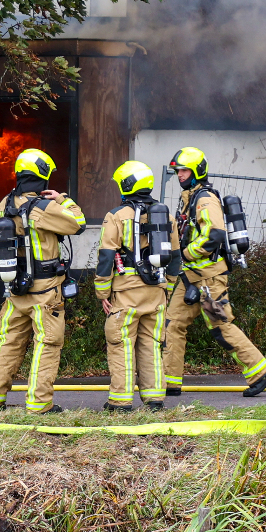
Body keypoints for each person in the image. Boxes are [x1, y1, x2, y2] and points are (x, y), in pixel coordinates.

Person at [160, 146, 266, 398]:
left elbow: (214, 236)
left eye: (184, 170)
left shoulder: (205, 199)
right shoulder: (190, 199)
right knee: (172, 324)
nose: (179, 175)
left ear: (196, 171)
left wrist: (184, 254)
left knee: (220, 325)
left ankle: (260, 372)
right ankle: (169, 382)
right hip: (190, 277)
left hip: (208, 278)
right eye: (178, 171)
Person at [0, 148, 86, 413]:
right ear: (43, 177)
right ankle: (39, 404)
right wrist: (64, 200)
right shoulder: (45, 207)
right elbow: (78, 224)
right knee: (47, 343)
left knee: (10, 341)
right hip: (45, 290)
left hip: (15, 289)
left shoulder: (6, 203)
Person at [94, 160, 171, 412]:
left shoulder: (116, 216)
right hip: (157, 292)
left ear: (127, 185)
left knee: (121, 344)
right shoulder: (165, 216)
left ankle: (121, 401)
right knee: (151, 344)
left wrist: (103, 292)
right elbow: (176, 257)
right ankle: (155, 400)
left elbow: (106, 256)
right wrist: (166, 287)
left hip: (126, 294)